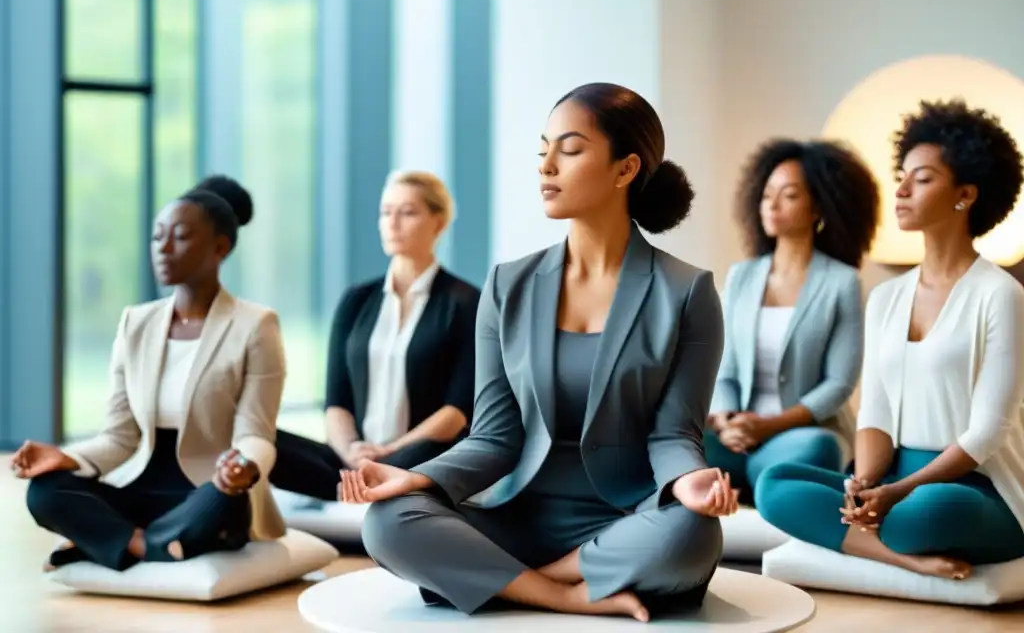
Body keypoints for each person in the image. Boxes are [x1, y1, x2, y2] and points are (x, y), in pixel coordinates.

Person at [338, 82, 739, 623]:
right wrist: (420, 477)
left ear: (625, 169)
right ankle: (562, 592)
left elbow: (674, 434)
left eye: (569, 150)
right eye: (543, 149)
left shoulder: (686, 292)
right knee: (385, 522)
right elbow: (493, 437)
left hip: (625, 521)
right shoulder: (508, 285)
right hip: (515, 516)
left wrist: (689, 481)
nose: (546, 165)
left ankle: (505, 578)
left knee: (692, 534)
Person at [756, 99, 1024, 581]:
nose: (900, 190)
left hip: (976, 488)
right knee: (775, 485)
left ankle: (890, 532)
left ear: (965, 194)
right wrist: (866, 483)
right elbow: (876, 411)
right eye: (901, 175)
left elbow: (988, 433)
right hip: (897, 478)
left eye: (921, 179)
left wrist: (898, 494)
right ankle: (901, 558)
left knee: (928, 512)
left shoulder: (1001, 295)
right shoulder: (886, 297)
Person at [12, 176, 288, 572]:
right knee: (46, 492)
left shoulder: (256, 324)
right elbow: (119, 437)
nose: (163, 246)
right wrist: (66, 458)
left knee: (219, 504)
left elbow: (256, 434)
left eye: (179, 236)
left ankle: (110, 541)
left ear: (219, 248)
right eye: (157, 236)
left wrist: (242, 467)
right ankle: (153, 545)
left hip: (210, 488)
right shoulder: (135, 323)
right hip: (140, 486)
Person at [270, 171, 480, 502]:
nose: (392, 222)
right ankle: (357, 486)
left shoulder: (467, 303)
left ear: (438, 223)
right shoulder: (355, 300)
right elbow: (336, 401)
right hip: (351, 457)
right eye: (386, 212)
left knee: (431, 453)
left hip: (416, 455)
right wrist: (352, 450)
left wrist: (389, 451)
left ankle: (361, 487)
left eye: (407, 212)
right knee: (261, 440)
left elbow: (455, 414)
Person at [706, 139, 880, 502]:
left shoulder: (841, 282)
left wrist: (766, 427)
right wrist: (726, 423)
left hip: (797, 435)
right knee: (668, 436)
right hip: (735, 435)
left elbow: (838, 384)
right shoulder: (742, 276)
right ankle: (757, 485)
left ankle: (749, 485)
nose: (772, 204)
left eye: (788, 195)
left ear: (817, 206)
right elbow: (723, 368)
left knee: (820, 449)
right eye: (767, 193)